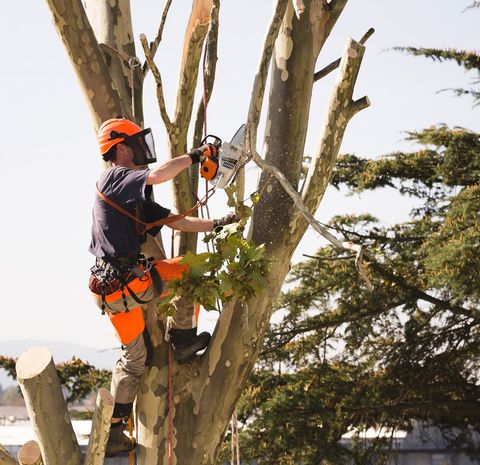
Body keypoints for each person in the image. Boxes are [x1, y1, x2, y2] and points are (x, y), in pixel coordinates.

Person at [88, 117, 237, 456]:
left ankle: (112, 432)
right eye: (136, 144)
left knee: (135, 357)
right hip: (129, 282)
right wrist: (196, 155)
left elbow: (176, 220)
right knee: (190, 272)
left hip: (111, 292)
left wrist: (218, 223)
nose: (142, 150)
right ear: (121, 147)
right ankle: (183, 338)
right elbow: (156, 175)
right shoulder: (116, 177)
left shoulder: (128, 194)